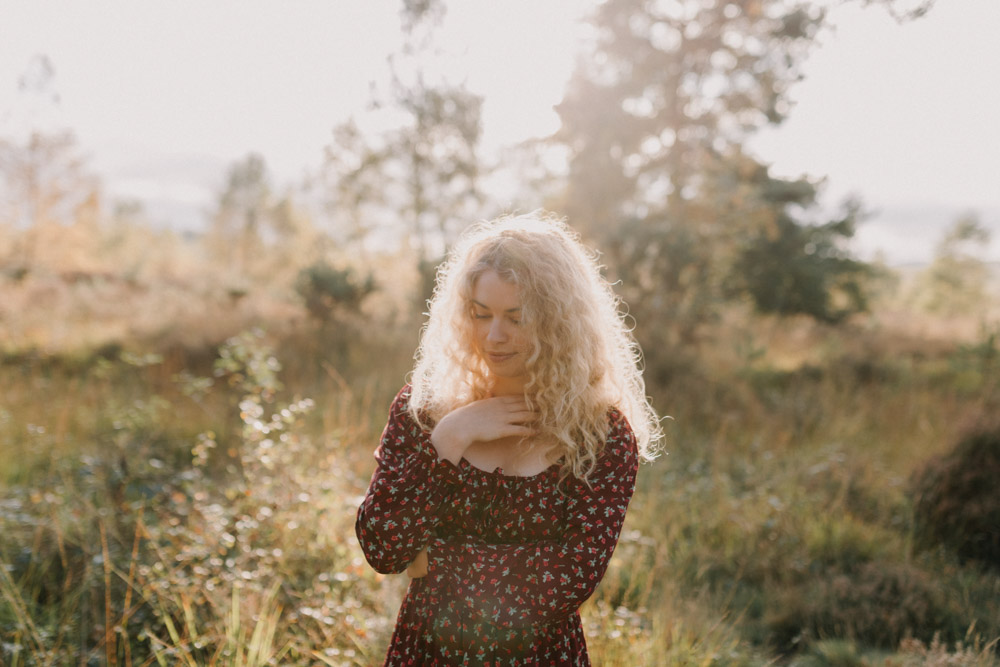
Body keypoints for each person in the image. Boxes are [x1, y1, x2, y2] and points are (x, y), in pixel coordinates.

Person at [356, 212, 662, 665]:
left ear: (560, 323)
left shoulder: (601, 435)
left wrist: (432, 563)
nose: (494, 336)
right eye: (481, 315)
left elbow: (566, 582)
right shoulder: (424, 412)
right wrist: (449, 439)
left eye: (516, 318)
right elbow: (383, 546)